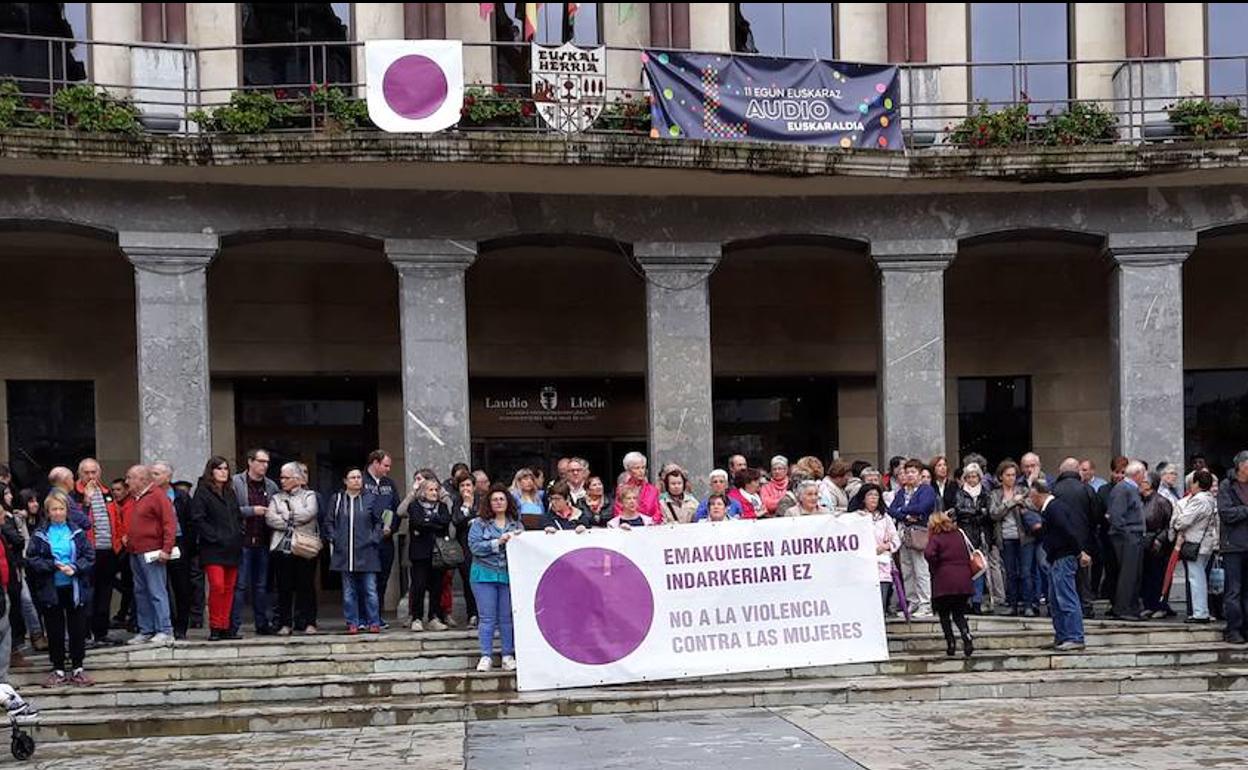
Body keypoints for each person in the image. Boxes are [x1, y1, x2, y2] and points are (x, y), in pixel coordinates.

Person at [26, 493, 94, 686]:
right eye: (54, 509)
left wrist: (75, 567)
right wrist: (53, 565)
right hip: (51, 589)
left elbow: (89, 556)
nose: (58, 513)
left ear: (67, 510)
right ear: (47, 512)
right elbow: (32, 559)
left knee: (77, 629)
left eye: (61, 509)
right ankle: (58, 669)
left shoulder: (77, 532)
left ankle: (78, 668)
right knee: (55, 631)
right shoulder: (40, 534)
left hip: (75, 589)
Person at [1030, 479, 1091, 651]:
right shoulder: (1053, 508)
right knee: (1056, 600)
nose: (1031, 501)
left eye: (1032, 497)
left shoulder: (1054, 508)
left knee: (1066, 597)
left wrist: (1079, 552)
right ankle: (1062, 635)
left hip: (1063, 556)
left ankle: (1075, 636)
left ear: (1038, 495)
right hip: (1057, 557)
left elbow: (1068, 531)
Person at [467, 485, 523, 672]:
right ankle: (486, 655)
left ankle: (507, 654)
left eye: (502, 499)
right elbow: (474, 547)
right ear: (489, 503)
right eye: (494, 499)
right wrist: (497, 542)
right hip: (483, 574)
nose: (498, 502)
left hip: (508, 575)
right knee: (487, 617)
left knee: (506, 618)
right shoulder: (479, 524)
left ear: (508, 502)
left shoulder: (516, 524)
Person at [190, 457, 243, 642]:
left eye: (226, 468)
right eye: (219, 468)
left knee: (229, 588)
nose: (223, 472)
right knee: (217, 586)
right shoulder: (202, 492)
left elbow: (237, 516)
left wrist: (238, 534)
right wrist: (215, 537)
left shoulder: (230, 492)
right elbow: (198, 518)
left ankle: (225, 626)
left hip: (233, 548)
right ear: (211, 471)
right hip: (213, 549)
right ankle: (215, 626)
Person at [123, 464, 176, 646]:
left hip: (153, 551)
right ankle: (146, 629)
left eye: (130, 477)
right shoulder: (135, 498)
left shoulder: (157, 496)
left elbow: (170, 523)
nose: (127, 481)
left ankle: (165, 629)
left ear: (142, 479)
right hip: (135, 551)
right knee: (141, 592)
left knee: (156, 591)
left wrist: (166, 549)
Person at [72, 458, 123, 647]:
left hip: (107, 550)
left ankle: (101, 632)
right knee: (87, 593)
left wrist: (118, 542)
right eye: (87, 473)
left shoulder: (107, 493)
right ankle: (84, 633)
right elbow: (76, 520)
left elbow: (116, 519)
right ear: (80, 474)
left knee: (105, 592)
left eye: (94, 472)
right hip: (86, 552)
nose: (91, 476)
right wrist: (85, 499)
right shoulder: (74, 494)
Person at [326, 468, 384, 635]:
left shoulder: (370, 499)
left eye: (359, 477)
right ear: (345, 481)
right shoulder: (337, 499)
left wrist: (374, 538)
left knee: (370, 590)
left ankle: (374, 622)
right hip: (345, 554)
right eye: (353, 477)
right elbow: (329, 522)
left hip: (367, 552)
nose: (357, 480)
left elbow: (380, 522)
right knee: (349, 592)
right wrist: (335, 538)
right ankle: (353, 622)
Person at [266, 462, 319, 636]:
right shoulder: (276, 497)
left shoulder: (309, 495)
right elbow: (270, 518)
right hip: (282, 548)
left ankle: (309, 622)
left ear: (297, 478)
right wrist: (291, 518)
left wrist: (286, 516)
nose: (281, 481)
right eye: (281, 477)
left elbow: (309, 513)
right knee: (283, 588)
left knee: (306, 586)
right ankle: (285, 624)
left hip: (303, 547)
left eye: (285, 477)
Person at [230, 449, 277, 636]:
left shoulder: (271, 485)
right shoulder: (236, 483)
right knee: (240, 585)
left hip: (264, 541)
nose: (264, 465)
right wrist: (252, 510)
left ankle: (262, 623)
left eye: (267, 462)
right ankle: (233, 625)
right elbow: (230, 510)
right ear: (250, 462)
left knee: (261, 586)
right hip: (243, 540)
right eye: (261, 461)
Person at [1052, 457, 1103, 619]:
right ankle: (1086, 607)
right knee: (1083, 576)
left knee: (1063, 578)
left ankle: (1066, 609)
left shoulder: (1055, 489)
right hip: (1084, 539)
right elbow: (1096, 516)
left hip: (1060, 541)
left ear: (1061, 472)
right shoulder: (1086, 489)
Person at [889, 459, 939, 618]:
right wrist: (907, 514)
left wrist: (903, 510)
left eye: (913, 472)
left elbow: (924, 507)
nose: (909, 475)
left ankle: (925, 604)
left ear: (919, 474)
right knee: (907, 570)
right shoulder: (902, 491)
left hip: (919, 533)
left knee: (921, 570)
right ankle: (912, 602)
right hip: (904, 533)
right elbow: (891, 510)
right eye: (907, 472)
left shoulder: (926, 490)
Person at [150, 461, 194, 640]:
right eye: (151, 473)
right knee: (159, 587)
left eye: (156, 474)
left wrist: (189, 547)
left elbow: (191, 522)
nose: (152, 477)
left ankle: (181, 626)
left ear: (168, 477)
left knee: (181, 586)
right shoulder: (149, 495)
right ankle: (163, 624)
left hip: (179, 543)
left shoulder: (181, 496)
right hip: (155, 544)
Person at [990, 460, 1039, 616]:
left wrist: (1022, 501)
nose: (1011, 478)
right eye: (1008, 475)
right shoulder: (995, 494)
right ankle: (1012, 605)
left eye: (1013, 475)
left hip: (1025, 537)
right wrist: (1011, 502)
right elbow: (994, 513)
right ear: (1001, 477)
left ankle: (1028, 605)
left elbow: (1034, 506)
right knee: (1010, 573)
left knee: (1026, 572)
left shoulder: (1023, 490)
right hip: (1005, 537)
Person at [923, 510, 973, 658]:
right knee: (959, 613)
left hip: (944, 581)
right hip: (963, 580)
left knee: (944, 614)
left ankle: (950, 642)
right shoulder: (958, 534)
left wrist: (935, 565)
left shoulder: (936, 538)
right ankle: (966, 634)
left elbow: (929, 554)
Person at [404, 477, 451, 633]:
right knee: (419, 586)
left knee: (437, 587)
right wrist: (432, 523)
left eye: (436, 490)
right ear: (423, 491)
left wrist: (428, 521)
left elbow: (445, 522)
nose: (434, 493)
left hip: (438, 553)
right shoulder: (414, 506)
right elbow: (417, 523)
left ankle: (434, 617)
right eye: (431, 490)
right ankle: (417, 618)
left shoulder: (443, 506)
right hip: (420, 553)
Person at [1171, 469, 1218, 624]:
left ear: (1197, 483)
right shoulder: (1211, 499)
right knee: (1200, 577)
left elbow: (1183, 521)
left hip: (1196, 544)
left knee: (1196, 579)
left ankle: (1200, 613)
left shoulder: (1199, 500)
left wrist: (1177, 522)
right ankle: (1202, 611)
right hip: (1206, 544)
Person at [363, 450, 401, 627]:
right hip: (365, 541)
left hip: (385, 540)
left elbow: (397, 510)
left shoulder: (389, 484)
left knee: (382, 579)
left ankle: (376, 617)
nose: (388, 469)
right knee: (365, 580)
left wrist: (391, 528)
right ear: (375, 463)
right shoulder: (361, 481)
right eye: (385, 465)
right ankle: (363, 617)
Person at [1108, 460, 1147, 621]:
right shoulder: (1123, 489)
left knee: (1134, 574)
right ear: (1137, 474)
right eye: (1143, 474)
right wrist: (1127, 533)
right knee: (1127, 574)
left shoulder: (1130, 489)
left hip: (1134, 536)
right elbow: (1116, 516)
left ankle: (1132, 607)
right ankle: (1123, 608)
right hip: (1127, 537)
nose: (1144, 477)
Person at [1217, 451, 1248, 644]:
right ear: (1241, 466)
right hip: (1233, 545)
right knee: (1234, 589)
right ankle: (1233, 628)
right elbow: (1226, 513)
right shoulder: (1227, 485)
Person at [953, 463, 991, 614]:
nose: (971, 479)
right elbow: (959, 510)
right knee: (965, 568)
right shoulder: (960, 493)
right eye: (968, 476)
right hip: (965, 533)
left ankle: (977, 601)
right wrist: (977, 511)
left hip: (981, 533)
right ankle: (966, 600)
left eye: (974, 476)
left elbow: (988, 512)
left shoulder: (985, 492)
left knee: (979, 567)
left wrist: (975, 513)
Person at [1140, 472, 1176, 619]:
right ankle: (1149, 605)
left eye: (1142, 482)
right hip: (1145, 544)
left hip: (1159, 546)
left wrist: (1160, 540)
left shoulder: (1162, 502)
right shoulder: (1141, 501)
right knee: (1147, 577)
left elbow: (1170, 525)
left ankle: (1161, 606)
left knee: (1159, 576)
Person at [859, 485, 898, 613]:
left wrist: (885, 546)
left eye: (876, 495)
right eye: (870, 495)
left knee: (880, 603)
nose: (873, 498)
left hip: (882, 566)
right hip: (863, 566)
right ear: (863, 498)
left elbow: (896, 540)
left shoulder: (885, 518)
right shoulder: (856, 517)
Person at [450, 475, 479, 628]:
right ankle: (472, 614)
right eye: (462, 486)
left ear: (474, 487)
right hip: (465, 548)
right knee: (468, 582)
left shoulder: (483, 501)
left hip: (482, 548)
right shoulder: (457, 503)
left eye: (468, 485)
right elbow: (457, 521)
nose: (466, 489)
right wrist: (466, 506)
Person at [614, 452, 660, 524]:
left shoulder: (653, 490)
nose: (641, 471)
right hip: (627, 528)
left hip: (649, 528)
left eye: (643, 467)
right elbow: (618, 511)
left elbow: (657, 513)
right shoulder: (621, 489)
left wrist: (651, 523)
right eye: (637, 468)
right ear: (628, 470)